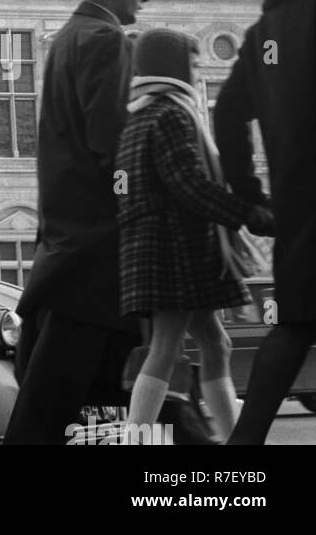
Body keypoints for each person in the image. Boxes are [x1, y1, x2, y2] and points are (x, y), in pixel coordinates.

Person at [2, 0, 152, 445]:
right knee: (54, 404)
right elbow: (112, 144)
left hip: (67, 241)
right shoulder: (107, 41)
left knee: (100, 396)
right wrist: (143, 207)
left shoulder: (69, 36)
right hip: (95, 250)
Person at [117, 29, 273, 441]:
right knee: (166, 347)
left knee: (214, 343)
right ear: (174, 67)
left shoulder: (141, 114)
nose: (198, 68)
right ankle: (136, 437)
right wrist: (247, 214)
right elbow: (188, 185)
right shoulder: (170, 113)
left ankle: (235, 436)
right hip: (175, 249)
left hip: (162, 246)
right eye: (193, 61)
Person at [217, 0, 315, 444]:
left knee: (294, 327)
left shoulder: (266, 34)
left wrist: (251, 197)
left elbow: (228, 115)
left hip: (298, 205)